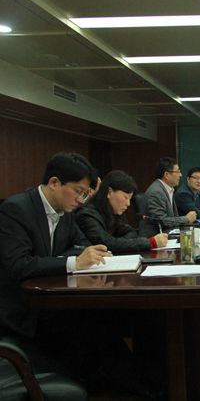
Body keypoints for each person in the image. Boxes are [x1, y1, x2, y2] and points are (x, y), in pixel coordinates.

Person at [0, 152, 156, 397]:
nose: (81, 200)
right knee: (95, 326)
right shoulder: (16, 209)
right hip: (22, 312)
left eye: (85, 194)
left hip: (51, 303)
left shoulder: (66, 212)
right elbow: (18, 265)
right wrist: (72, 262)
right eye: (78, 191)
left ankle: (140, 385)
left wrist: (73, 257)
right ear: (54, 182)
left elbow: (82, 245)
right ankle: (134, 388)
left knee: (111, 321)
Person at [75, 170, 169, 253]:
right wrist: (150, 242)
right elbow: (105, 244)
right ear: (110, 192)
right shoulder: (87, 215)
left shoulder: (114, 212)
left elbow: (131, 232)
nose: (128, 204)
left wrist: (118, 242)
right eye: (125, 197)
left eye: (130, 199)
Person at [139, 157, 197, 237]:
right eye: (178, 172)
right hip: (155, 238)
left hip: (167, 234)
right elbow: (162, 221)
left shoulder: (167, 189)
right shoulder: (156, 192)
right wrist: (186, 219)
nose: (180, 175)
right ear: (166, 175)